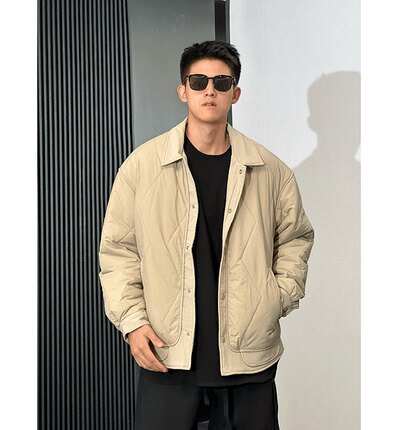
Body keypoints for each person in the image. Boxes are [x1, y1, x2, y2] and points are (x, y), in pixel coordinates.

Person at [98, 40, 314, 430]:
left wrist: (276, 298)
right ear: (183, 90)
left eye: (221, 82)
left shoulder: (271, 170)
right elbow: (118, 251)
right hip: (167, 351)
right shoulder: (142, 167)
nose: (209, 90)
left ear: (236, 93)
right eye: (198, 82)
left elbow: (295, 239)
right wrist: (132, 321)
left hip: (248, 355)